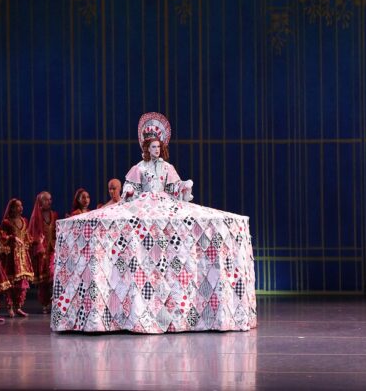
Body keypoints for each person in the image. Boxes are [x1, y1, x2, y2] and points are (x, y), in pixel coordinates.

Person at [50, 112, 257, 333]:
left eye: (159, 147)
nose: (156, 150)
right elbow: (133, 189)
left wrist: (183, 186)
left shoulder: (168, 168)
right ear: (147, 148)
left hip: (165, 203)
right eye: (153, 147)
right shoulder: (139, 168)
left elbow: (174, 189)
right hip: (144, 204)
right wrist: (129, 190)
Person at [1, 197, 35, 317]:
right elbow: (2, 237)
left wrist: (35, 241)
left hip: (23, 256)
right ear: (12, 208)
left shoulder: (24, 221)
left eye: (21, 205)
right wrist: (12, 238)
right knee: (10, 283)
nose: (20, 208)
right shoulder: (6, 222)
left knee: (22, 284)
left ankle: (18, 306)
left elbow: (27, 237)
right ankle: (10, 306)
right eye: (17, 206)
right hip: (11, 257)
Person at [30, 191, 58, 313]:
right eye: (46, 200)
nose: (49, 202)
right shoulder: (36, 216)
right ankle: (45, 304)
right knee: (43, 281)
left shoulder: (54, 215)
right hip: (42, 252)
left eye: (50, 199)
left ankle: (55, 301)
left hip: (53, 250)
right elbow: (31, 234)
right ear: (40, 202)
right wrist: (38, 242)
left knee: (53, 276)